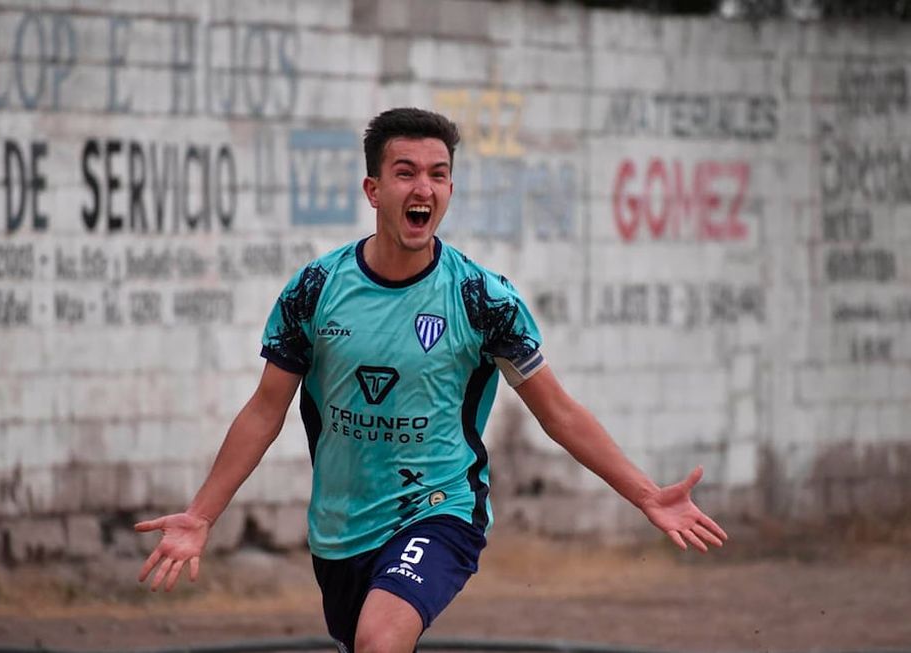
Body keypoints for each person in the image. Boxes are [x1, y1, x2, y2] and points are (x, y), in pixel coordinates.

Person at [136, 107, 728, 653]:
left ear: (449, 189)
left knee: (378, 640)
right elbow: (265, 409)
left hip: (441, 508)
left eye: (439, 175)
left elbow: (559, 412)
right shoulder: (315, 291)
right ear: (373, 190)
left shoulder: (481, 300)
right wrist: (202, 515)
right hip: (340, 529)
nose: (424, 188)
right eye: (405, 173)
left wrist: (647, 495)